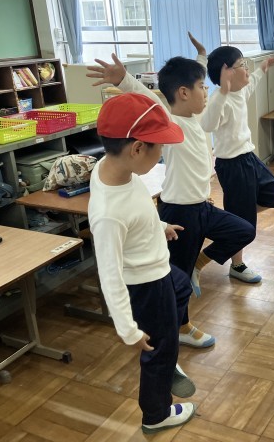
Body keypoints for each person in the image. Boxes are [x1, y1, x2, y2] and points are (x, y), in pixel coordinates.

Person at [87, 33, 256, 350]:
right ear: (183, 93)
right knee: (177, 279)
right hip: (180, 212)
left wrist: (202, 56)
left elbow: (191, 77)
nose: (206, 91)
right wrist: (123, 79)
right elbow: (149, 99)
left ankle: (199, 265)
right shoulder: (168, 120)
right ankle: (182, 327)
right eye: (202, 87)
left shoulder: (197, 116)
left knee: (244, 230)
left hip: (202, 206)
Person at [88, 92, 197, 434]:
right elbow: (109, 275)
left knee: (183, 287)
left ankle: (168, 349)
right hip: (146, 284)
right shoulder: (108, 214)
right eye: (159, 146)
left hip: (159, 269)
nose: (162, 152)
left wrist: (159, 226)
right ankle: (156, 414)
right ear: (137, 148)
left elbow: (137, 208)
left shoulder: (113, 169)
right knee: (158, 350)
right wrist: (128, 329)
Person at [200, 46, 274, 282]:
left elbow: (252, 82)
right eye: (242, 65)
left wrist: (262, 68)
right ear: (227, 72)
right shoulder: (219, 99)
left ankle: (232, 218)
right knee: (245, 223)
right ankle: (235, 265)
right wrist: (223, 91)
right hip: (231, 164)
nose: (247, 69)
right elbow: (207, 125)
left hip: (248, 157)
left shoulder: (240, 91)